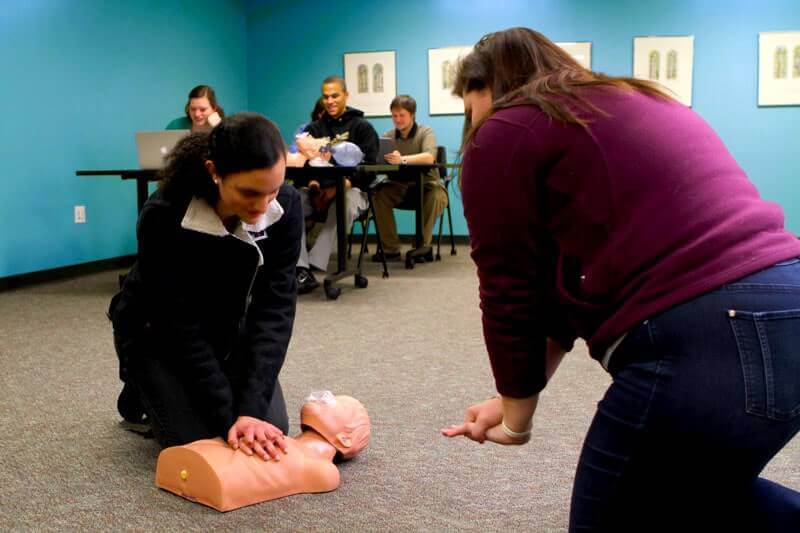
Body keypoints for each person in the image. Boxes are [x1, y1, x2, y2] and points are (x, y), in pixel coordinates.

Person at [440, 27, 800, 532]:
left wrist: (518, 419)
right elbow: (561, 291)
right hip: (787, 306)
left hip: (709, 335)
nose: (470, 122)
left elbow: (510, 290)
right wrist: (512, 395)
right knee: (700, 494)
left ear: (486, 88)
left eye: (466, 104)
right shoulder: (628, 100)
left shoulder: (507, 130)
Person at [109, 112, 303, 457]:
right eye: (248, 193)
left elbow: (274, 310)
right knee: (201, 441)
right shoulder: (164, 214)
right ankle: (140, 384)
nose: (262, 207)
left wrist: (251, 411)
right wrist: (228, 415)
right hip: (158, 331)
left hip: (229, 328)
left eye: (271, 191)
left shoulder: (285, 206)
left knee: (269, 429)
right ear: (214, 172)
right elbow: (179, 324)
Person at [155, 392, 371, 512]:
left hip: (215, 475)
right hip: (195, 463)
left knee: (242, 452)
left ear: (345, 438)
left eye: (332, 401)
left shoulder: (323, 469)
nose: (324, 396)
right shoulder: (285, 440)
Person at [294, 75, 379, 293]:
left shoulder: (363, 128)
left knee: (345, 201)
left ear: (346, 96)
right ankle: (302, 269)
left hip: (351, 191)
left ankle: (316, 262)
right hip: (317, 192)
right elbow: (303, 166)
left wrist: (342, 187)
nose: (330, 101)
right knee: (292, 202)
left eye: (335, 96)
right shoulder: (313, 129)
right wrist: (313, 185)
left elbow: (370, 168)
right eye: (325, 97)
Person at [371, 95, 448, 262]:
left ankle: (421, 247)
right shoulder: (388, 136)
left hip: (428, 186)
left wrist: (402, 159)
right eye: (394, 116)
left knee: (436, 196)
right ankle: (390, 248)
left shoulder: (425, 132)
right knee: (378, 195)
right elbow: (380, 163)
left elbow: (429, 157)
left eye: (402, 115)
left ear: (412, 114)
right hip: (399, 186)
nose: (397, 120)